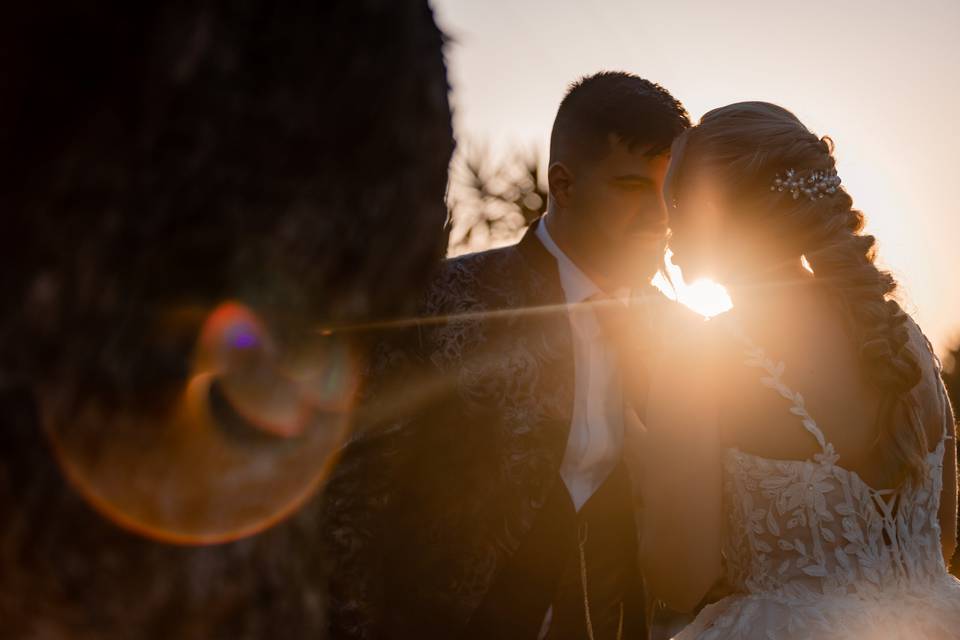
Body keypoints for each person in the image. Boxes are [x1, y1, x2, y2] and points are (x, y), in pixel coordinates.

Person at [320, 71, 690, 639]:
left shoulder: (679, 335)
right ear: (563, 186)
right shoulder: (441, 302)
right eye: (632, 187)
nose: (659, 217)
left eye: (667, 194)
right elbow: (353, 506)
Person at [634, 101, 960, 638]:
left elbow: (680, 579)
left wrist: (645, 456)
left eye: (676, 202)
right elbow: (942, 541)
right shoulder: (905, 340)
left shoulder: (703, 359)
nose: (668, 228)